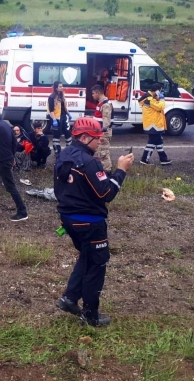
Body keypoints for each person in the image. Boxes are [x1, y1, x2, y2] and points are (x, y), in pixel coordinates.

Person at [54, 117, 133, 326]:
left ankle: (70, 298)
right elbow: (107, 193)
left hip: (68, 219)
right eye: (97, 138)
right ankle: (90, 315)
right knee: (97, 265)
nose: (100, 142)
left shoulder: (65, 154)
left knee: (87, 257)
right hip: (90, 223)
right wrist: (121, 170)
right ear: (85, 137)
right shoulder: (89, 162)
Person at [138, 83, 171, 165]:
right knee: (152, 142)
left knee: (159, 141)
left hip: (153, 124)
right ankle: (144, 159)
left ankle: (163, 159)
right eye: (160, 90)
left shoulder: (150, 98)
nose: (161, 92)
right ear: (157, 90)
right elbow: (160, 107)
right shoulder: (149, 99)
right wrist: (162, 99)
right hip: (153, 125)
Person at [48, 81, 72, 156]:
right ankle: (57, 151)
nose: (62, 87)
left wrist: (68, 113)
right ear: (56, 88)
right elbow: (51, 110)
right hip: (56, 117)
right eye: (60, 86)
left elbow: (64, 106)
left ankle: (69, 149)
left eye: (62, 86)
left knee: (67, 133)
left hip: (63, 116)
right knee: (56, 135)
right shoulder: (51, 97)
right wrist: (54, 120)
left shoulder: (62, 95)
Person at [92, 84, 113, 170]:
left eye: (93, 93)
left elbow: (106, 121)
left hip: (103, 133)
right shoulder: (101, 104)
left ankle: (107, 171)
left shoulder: (105, 105)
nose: (92, 95)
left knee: (103, 154)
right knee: (100, 153)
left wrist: (102, 134)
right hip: (100, 132)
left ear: (98, 93)